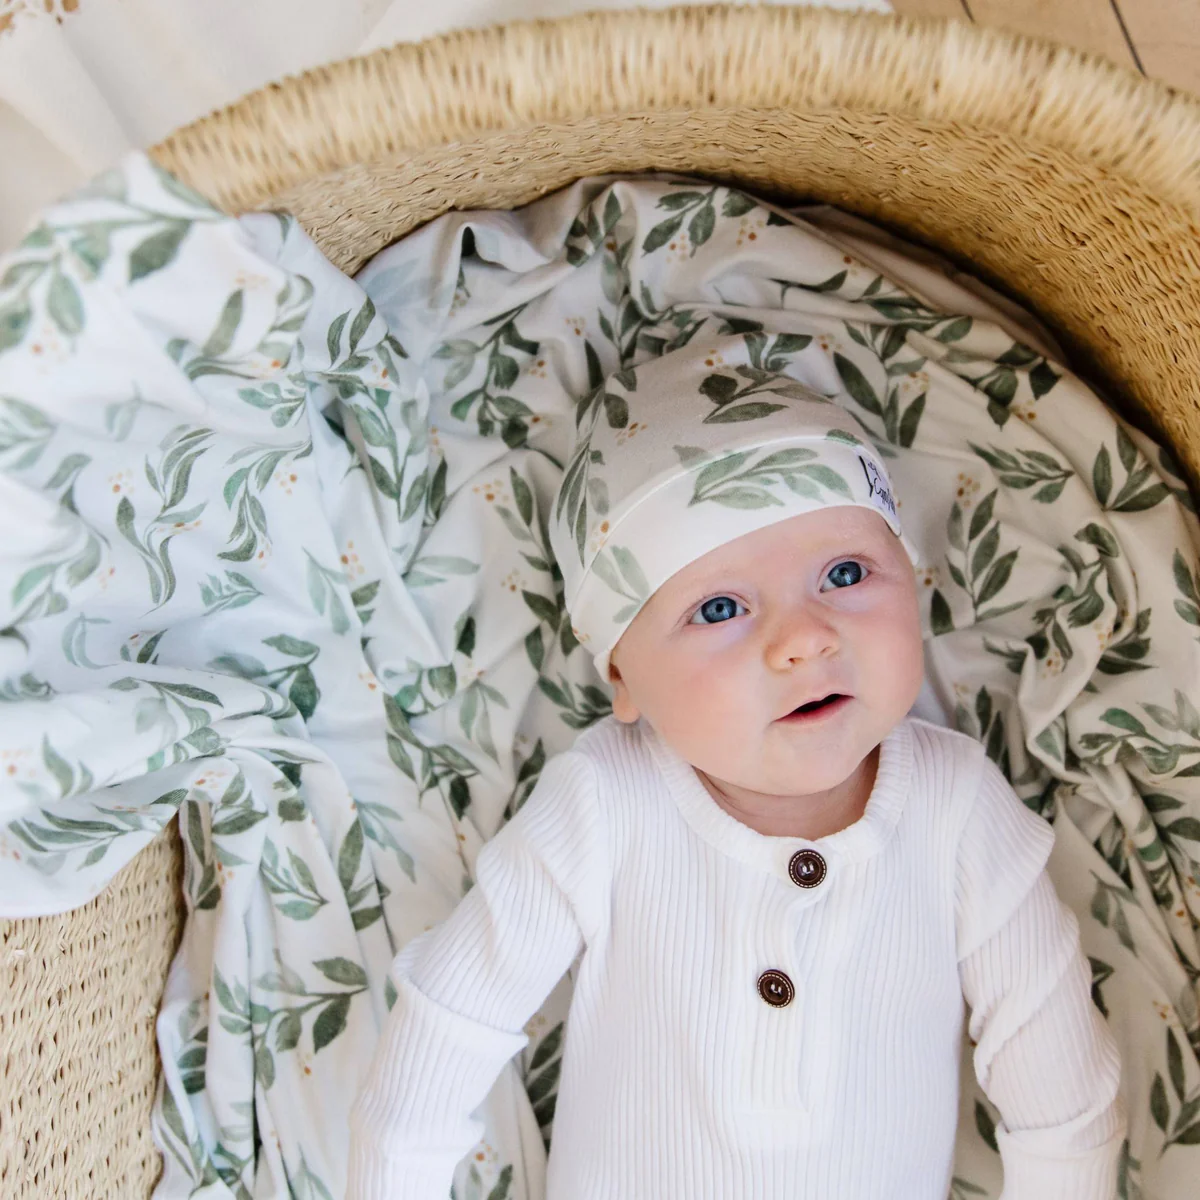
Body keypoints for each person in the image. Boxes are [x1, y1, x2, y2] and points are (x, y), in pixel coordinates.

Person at [346, 344, 1125, 1199]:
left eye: (845, 573)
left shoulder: (959, 810)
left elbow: (1066, 1105)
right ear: (622, 677)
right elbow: (449, 1025)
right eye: (719, 608)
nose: (804, 638)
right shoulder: (604, 807)